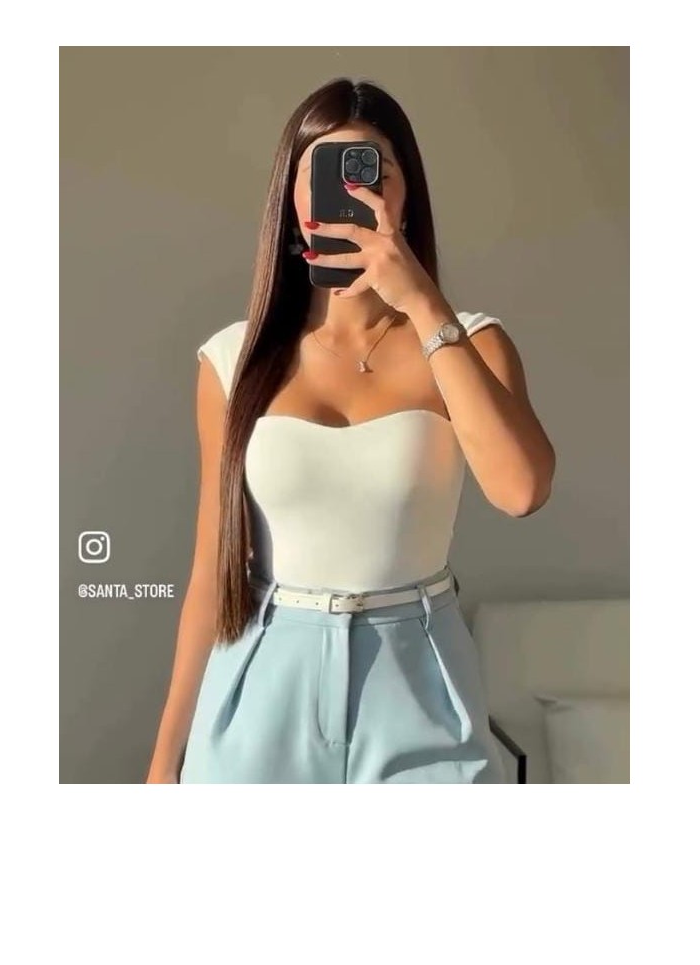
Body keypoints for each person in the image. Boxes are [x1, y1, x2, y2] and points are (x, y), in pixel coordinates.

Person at [147, 78, 556, 783]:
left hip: (419, 680)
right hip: (261, 679)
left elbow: (521, 490)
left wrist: (423, 303)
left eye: (371, 171)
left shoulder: (470, 344)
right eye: (322, 172)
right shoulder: (232, 361)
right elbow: (213, 571)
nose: (348, 192)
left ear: (406, 194)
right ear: (292, 200)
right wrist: (163, 765)